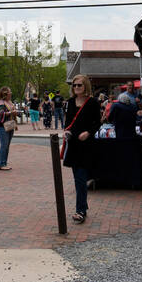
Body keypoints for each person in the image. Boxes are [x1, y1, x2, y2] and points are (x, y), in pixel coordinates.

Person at [62, 74, 101, 223]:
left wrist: (88, 133)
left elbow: (97, 123)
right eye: (74, 85)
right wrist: (66, 131)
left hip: (86, 145)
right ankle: (83, 207)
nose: (76, 87)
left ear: (86, 86)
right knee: (78, 179)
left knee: (80, 178)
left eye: (79, 85)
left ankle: (81, 210)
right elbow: (68, 122)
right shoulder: (70, 102)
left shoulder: (92, 103)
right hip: (73, 144)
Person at [0, 87, 17, 170]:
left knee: (7, 145)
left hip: (9, 124)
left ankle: (4, 162)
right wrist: (11, 112)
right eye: (10, 92)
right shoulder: (1, 103)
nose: (11, 93)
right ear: (5, 94)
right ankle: (1, 164)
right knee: (4, 145)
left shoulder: (9, 102)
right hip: (2, 126)